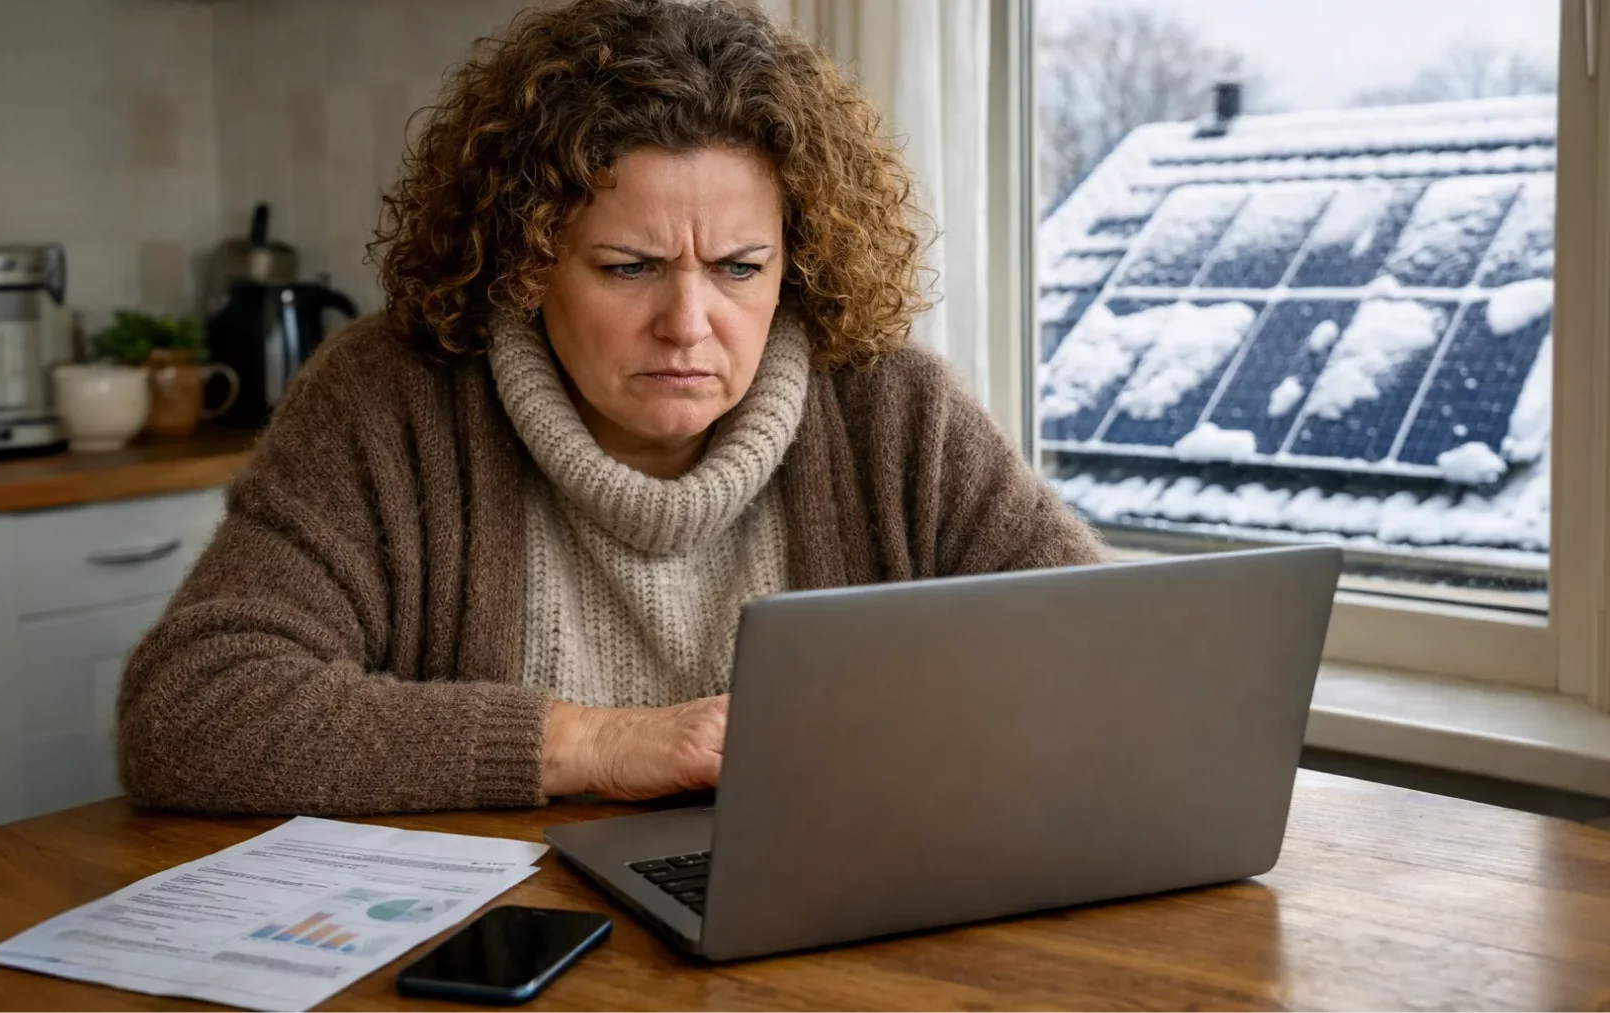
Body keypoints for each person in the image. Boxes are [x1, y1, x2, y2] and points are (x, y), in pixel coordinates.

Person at [117, 0, 1105, 816]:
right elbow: (192, 710)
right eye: (629, 267)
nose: (689, 322)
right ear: (525, 257)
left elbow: (1114, 658)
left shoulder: (892, 410)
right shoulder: (390, 400)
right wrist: (597, 740)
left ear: (794, 264)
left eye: (739, 268)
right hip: (505, 936)